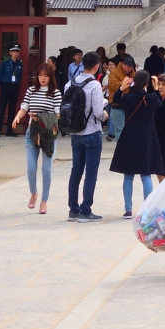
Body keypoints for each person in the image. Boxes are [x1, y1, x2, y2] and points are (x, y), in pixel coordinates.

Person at [108, 66, 162, 218]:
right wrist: (156, 88)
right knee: (146, 175)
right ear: (147, 83)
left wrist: (121, 87)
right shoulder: (151, 98)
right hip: (146, 137)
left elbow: (116, 100)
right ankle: (148, 208)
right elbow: (159, 103)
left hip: (129, 136)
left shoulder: (128, 98)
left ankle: (128, 209)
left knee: (128, 175)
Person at [11, 61, 62, 213]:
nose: (43, 78)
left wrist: (41, 117)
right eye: (40, 75)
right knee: (31, 167)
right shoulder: (31, 91)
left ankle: (44, 200)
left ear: (50, 77)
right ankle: (33, 192)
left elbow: (57, 114)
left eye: (46, 76)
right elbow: (24, 107)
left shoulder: (55, 93)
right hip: (32, 132)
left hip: (49, 133)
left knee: (46, 169)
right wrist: (17, 117)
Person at [64, 50, 109, 222]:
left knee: (76, 171)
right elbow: (98, 112)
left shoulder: (70, 83)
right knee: (91, 173)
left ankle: (73, 210)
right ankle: (85, 210)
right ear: (97, 66)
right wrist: (104, 113)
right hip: (92, 132)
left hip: (75, 132)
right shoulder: (94, 85)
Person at [0, 44, 24, 135]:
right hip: (6, 85)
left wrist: (17, 83)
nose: (16, 54)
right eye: (14, 52)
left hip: (15, 86)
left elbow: (20, 76)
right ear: (10, 53)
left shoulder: (19, 64)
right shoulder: (5, 63)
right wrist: (3, 84)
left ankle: (10, 130)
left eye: (17, 51)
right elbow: (0, 76)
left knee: (12, 108)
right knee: (2, 107)